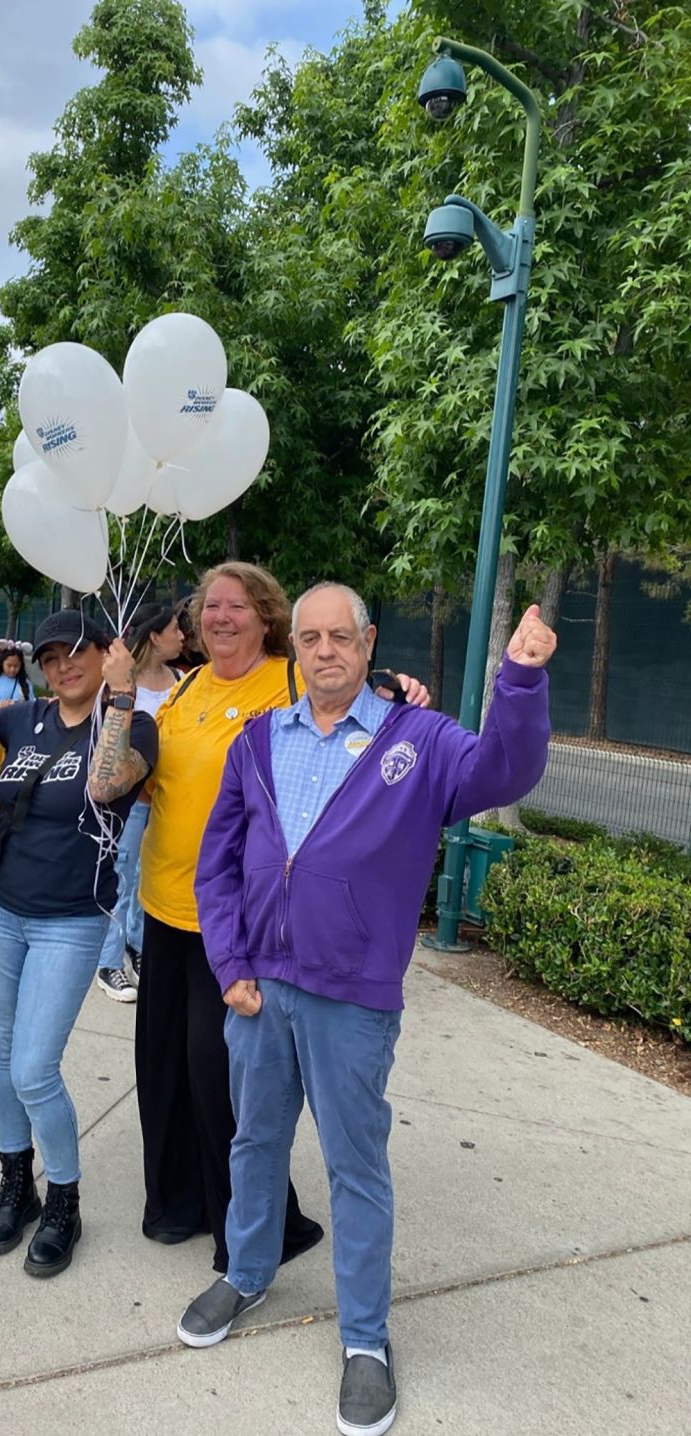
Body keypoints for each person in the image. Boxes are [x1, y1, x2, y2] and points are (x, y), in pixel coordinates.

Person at [176, 585, 555, 1436]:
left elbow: (504, 770)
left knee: (355, 1169)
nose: (323, 652)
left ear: (367, 640)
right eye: (308, 638)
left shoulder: (417, 742)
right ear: (296, 647)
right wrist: (230, 962)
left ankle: (366, 1344)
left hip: (352, 996)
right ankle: (245, 1271)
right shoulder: (258, 740)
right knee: (254, 1142)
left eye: (339, 637)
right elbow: (219, 863)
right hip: (260, 989)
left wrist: (521, 680)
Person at [135, 561, 429, 1280]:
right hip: (164, 905)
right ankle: (179, 1203)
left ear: (268, 620)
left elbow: (362, 706)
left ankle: (260, 1232)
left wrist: (400, 692)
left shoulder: (289, 680)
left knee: (221, 1078)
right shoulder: (187, 689)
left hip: (237, 920)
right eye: (210, 607)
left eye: (237, 606)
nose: (220, 617)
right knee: (163, 1068)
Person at [0, 610, 158, 1279]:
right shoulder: (16, 720)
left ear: (104, 655)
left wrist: (123, 694)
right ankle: (16, 1182)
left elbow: (108, 785)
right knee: (2, 1053)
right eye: (49, 657)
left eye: (75, 653)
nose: (61, 666)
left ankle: (65, 1202)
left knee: (33, 1068)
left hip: (71, 920)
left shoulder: (133, 726)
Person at [95, 603, 184, 1003]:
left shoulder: (184, 680)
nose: (183, 637)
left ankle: (138, 945)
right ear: (154, 637)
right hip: (132, 801)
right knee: (122, 874)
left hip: (169, 799)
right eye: (174, 630)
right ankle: (108, 961)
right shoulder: (119, 684)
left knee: (150, 876)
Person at [0, 644, 32, 708]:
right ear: (1, 663)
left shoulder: (25, 682)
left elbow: (31, 705)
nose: (12, 669)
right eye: (9, 665)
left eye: (16, 666)